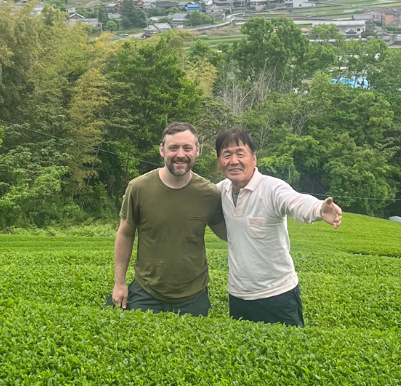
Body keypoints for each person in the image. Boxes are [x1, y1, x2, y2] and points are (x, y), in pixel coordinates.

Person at [215, 126, 342, 326]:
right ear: (219, 163)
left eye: (241, 154)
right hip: (238, 296)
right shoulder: (220, 191)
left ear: (254, 159)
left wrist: (319, 209)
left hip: (277, 296)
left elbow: (296, 202)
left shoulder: (272, 188)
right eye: (227, 155)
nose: (234, 161)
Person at [110, 121, 226, 316]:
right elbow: (125, 233)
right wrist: (119, 283)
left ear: (197, 151)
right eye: (173, 148)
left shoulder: (209, 193)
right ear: (162, 150)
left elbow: (227, 233)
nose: (180, 154)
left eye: (187, 148)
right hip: (146, 291)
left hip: (193, 296)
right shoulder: (138, 188)